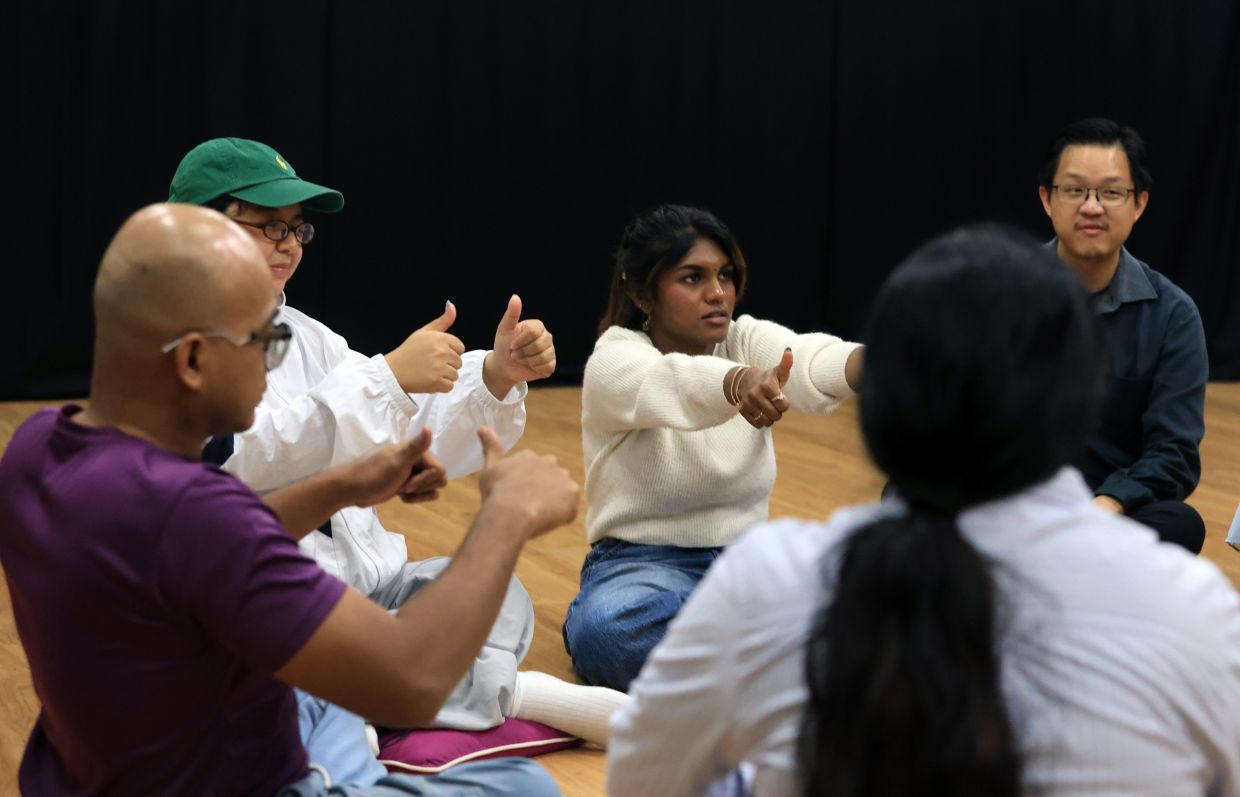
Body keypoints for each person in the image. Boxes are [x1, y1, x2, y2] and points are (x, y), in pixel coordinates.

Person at [606, 226, 1240, 797]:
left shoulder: (773, 579)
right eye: (694, 276)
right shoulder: (1192, 610)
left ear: (882, 415)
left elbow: (642, 781)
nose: (717, 291)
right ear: (1078, 405)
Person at [0, 204, 579, 795]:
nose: (279, 356)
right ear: (194, 359)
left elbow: (209, 545)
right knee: (522, 786)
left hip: (100, 771)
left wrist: (346, 485)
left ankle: (380, 718)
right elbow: (414, 677)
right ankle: (488, 702)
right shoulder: (189, 513)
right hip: (260, 772)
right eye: (265, 338)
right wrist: (505, 518)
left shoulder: (36, 446)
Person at [168, 138, 625, 741]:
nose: (286, 244)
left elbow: (399, 425)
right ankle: (508, 695)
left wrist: (493, 375)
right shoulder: (177, 344)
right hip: (269, 614)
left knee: (490, 590)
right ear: (200, 230)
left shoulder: (307, 336)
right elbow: (249, 461)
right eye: (268, 226)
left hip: (367, 598)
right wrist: (387, 376)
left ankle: (362, 705)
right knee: (260, 672)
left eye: (297, 230)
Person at [562, 204, 864, 691]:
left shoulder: (744, 339)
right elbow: (673, 382)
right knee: (608, 631)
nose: (717, 293)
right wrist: (739, 382)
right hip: (642, 568)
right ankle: (776, 663)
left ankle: (726, 665)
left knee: (872, 593)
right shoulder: (615, 356)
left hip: (746, 562)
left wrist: (882, 359)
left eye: (725, 275)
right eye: (692, 278)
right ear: (642, 294)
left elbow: (808, 359)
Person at [1038, 117, 1208, 552]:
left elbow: (1175, 451)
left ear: (1138, 204)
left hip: (1109, 510)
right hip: (1008, 494)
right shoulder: (997, 290)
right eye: (1074, 190)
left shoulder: (1174, 315)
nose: (1092, 207)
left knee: (1180, 523)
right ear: (1047, 200)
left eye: (1111, 192)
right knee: (906, 493)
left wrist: (1107, 505)